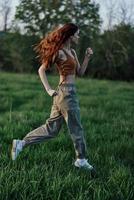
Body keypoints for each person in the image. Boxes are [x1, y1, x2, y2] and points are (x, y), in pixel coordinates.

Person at [11, 23, 94, 171]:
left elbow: (80, 72)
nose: (78, 36)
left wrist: (87, 57)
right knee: (76, 128)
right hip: (66, 93)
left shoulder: (72, 52)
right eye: (77, 34)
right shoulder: (59, 52)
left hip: (66, 93)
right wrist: (48, 89)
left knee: (52, 129)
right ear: (70, 35)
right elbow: (41, 70)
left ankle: (21, 143)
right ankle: (81, 160)